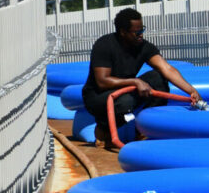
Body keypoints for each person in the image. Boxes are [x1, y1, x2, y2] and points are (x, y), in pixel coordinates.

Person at [82, 8, 202, 147]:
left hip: (126, 90)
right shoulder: (105, 45)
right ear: (123, 32)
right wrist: (135, 81)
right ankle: (103, 130)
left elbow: (166, 69)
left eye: (142, 30)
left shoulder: (143, 46)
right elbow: (102, 81)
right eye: (137, 32)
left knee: (159, 78)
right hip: (97, 97)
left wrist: (191, 91)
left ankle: (145, 129)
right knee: (126, 101)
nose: (141, 36)